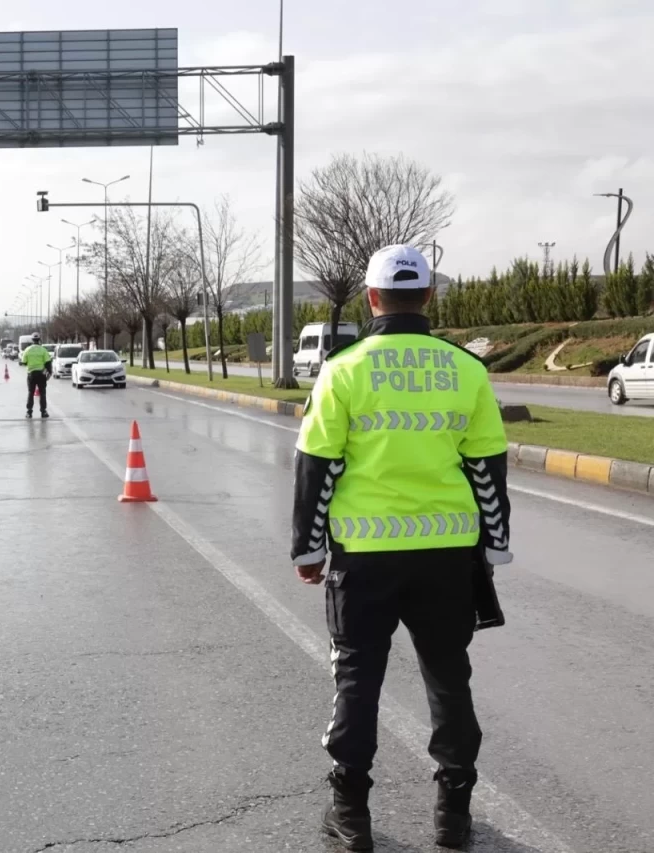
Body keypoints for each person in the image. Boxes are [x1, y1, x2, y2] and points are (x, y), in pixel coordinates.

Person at [291, 245, 512, 850]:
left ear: (371, 298)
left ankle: (351, 814)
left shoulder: (343, 369)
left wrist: (308, 549)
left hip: (364, 558)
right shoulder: (466, 370)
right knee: (449, 679)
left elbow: (317, 466)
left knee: (357, 680)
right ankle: (453, 815)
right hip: (448, 557)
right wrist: (496, 544)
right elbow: (487, 468)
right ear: (429, 296)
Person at [23, 333, 51, 418]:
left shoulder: (27, 349)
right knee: (42, 393)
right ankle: (43, 412)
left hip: (31, 374)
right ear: (39, 340)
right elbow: (48, 362)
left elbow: (24, 362)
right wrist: (49, 373)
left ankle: (29, 412)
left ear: (32, 340)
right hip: (41, 374)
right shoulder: (43, 350)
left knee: (30, 393)